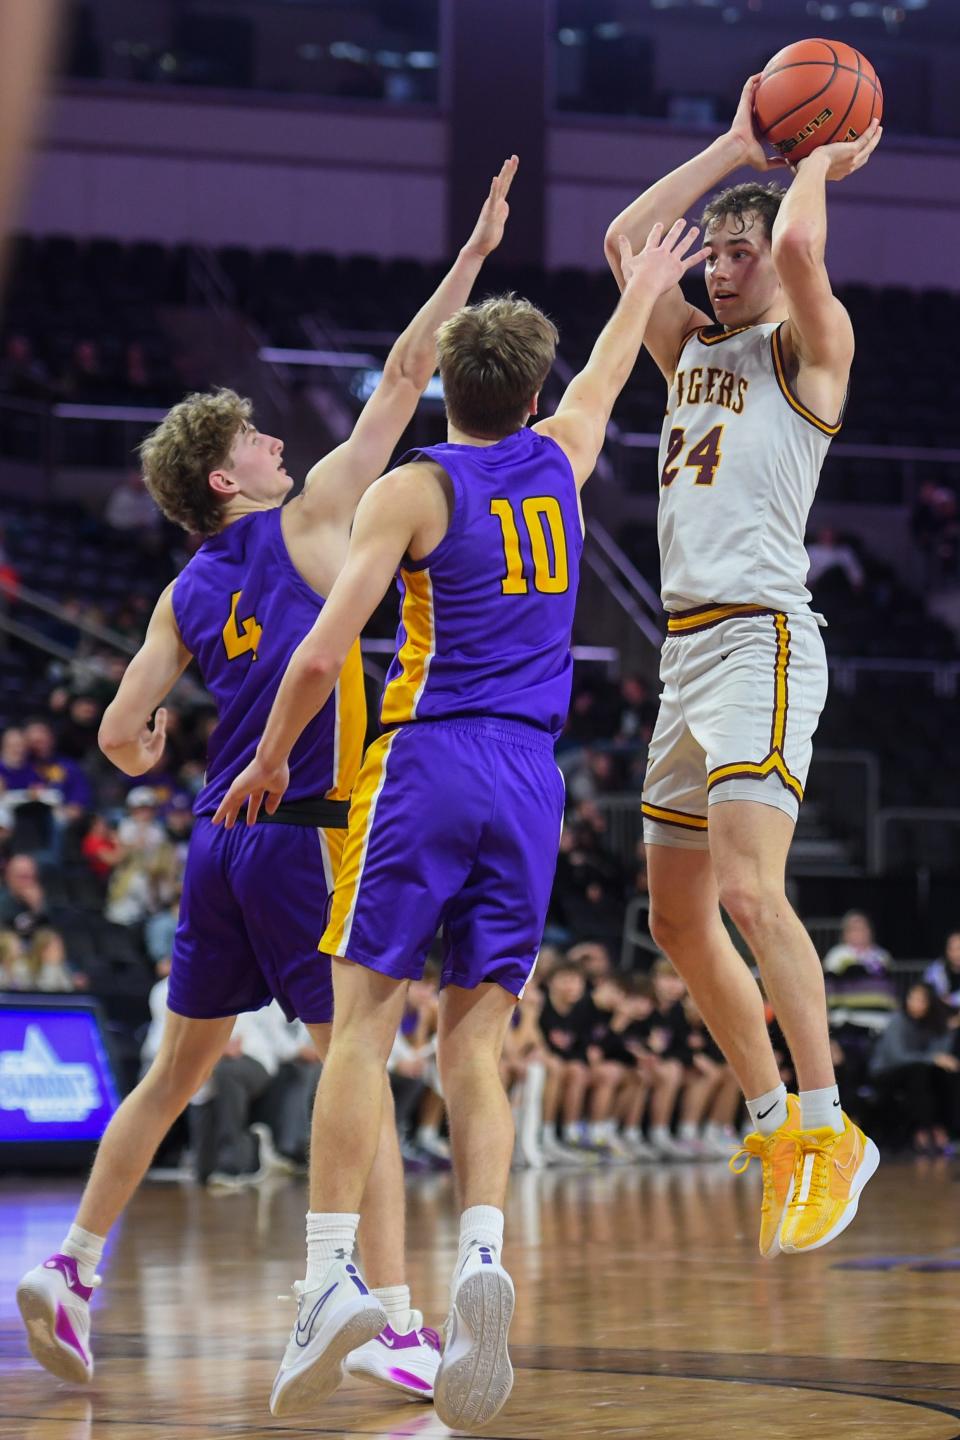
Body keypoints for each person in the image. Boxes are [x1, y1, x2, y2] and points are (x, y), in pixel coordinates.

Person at [15, 158, 519, 1397]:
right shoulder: (319, 513)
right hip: (308, 830)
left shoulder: (187, 586)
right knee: (362, 1059)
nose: (282, 436)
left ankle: (73, 1265)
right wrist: (470, 258)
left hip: (215, 843)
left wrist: (158, 748)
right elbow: (408, 376)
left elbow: (123, 736)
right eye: (256, 435)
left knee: (175, 1073)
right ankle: (392, 1318)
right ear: (225, 479)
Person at [214, 216, 708, 1425]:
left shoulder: (415, 488)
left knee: (362, 1024)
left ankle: (333, 1273)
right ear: (531, 391)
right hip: (536, 779)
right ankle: (483, 1256)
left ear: (446, 382)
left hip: (429, 759)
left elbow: (325, 652)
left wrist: (271, 761)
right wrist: (646, 280)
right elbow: (599, 373)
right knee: (474, 1043)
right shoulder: (561, 457)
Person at [603, 73, 882, 1259]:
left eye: (735, 253)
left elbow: (807, 247)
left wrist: (814, 157)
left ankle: (832, 1130)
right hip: (685, 649)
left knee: (749, 893)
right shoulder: (692, 355)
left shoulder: (810, 353)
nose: (717, 269)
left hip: (762, 636)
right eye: (712, 255)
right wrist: (731, 147)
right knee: (673, 918)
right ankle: (769, 1119)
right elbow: (626, 243)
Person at [869, 983, 960, 1154]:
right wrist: (931, 1059)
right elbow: (898, 1056)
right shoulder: (898, 1020)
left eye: (921, 1000)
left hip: (916, 1072)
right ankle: (923, 1130)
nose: (915, 1003)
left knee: (942, 1074)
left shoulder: (932, 1023)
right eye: (913, 998)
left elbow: (940, 1053)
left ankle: (943, 1128)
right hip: (885, 1071)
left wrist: (949, 1029)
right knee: (919, 1073)